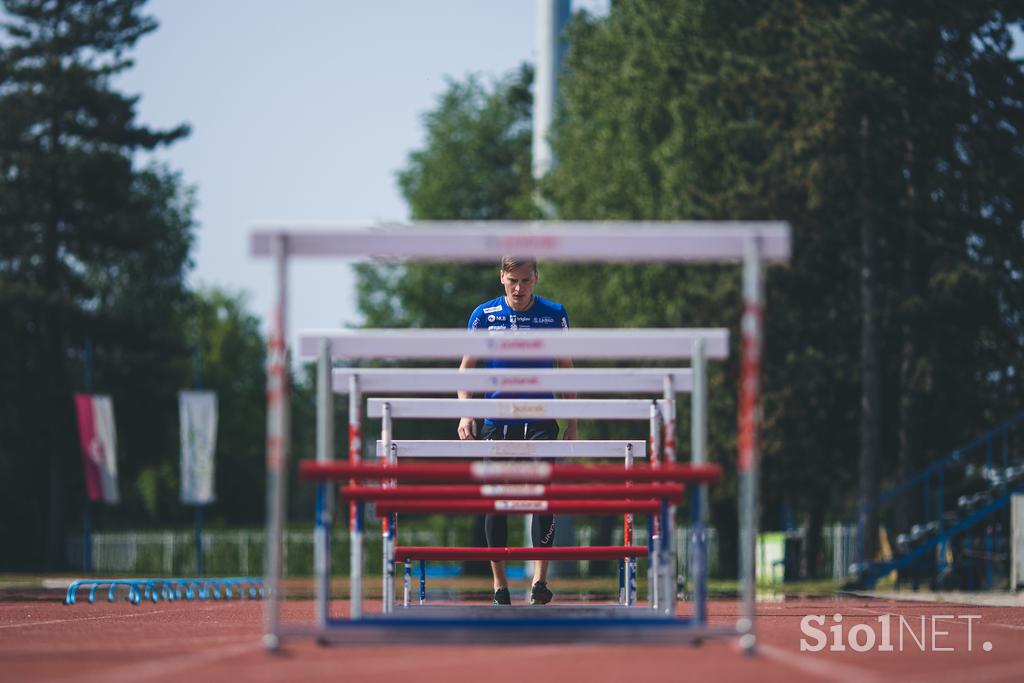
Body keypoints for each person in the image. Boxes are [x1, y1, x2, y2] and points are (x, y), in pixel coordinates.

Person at [458, 255, 576, 606]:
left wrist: (572, 422)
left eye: (525, 280)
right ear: (502, 278)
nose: (519, 288)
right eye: (513, 281)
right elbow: (465, 369)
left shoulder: (554, 314)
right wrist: (466, 414)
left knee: (543, 496)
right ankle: (500, 585)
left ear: (536, 278)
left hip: (540, 419)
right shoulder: (484, 316)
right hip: (496, 421)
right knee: (495, 502)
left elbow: (566, 369)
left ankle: (540, 581)